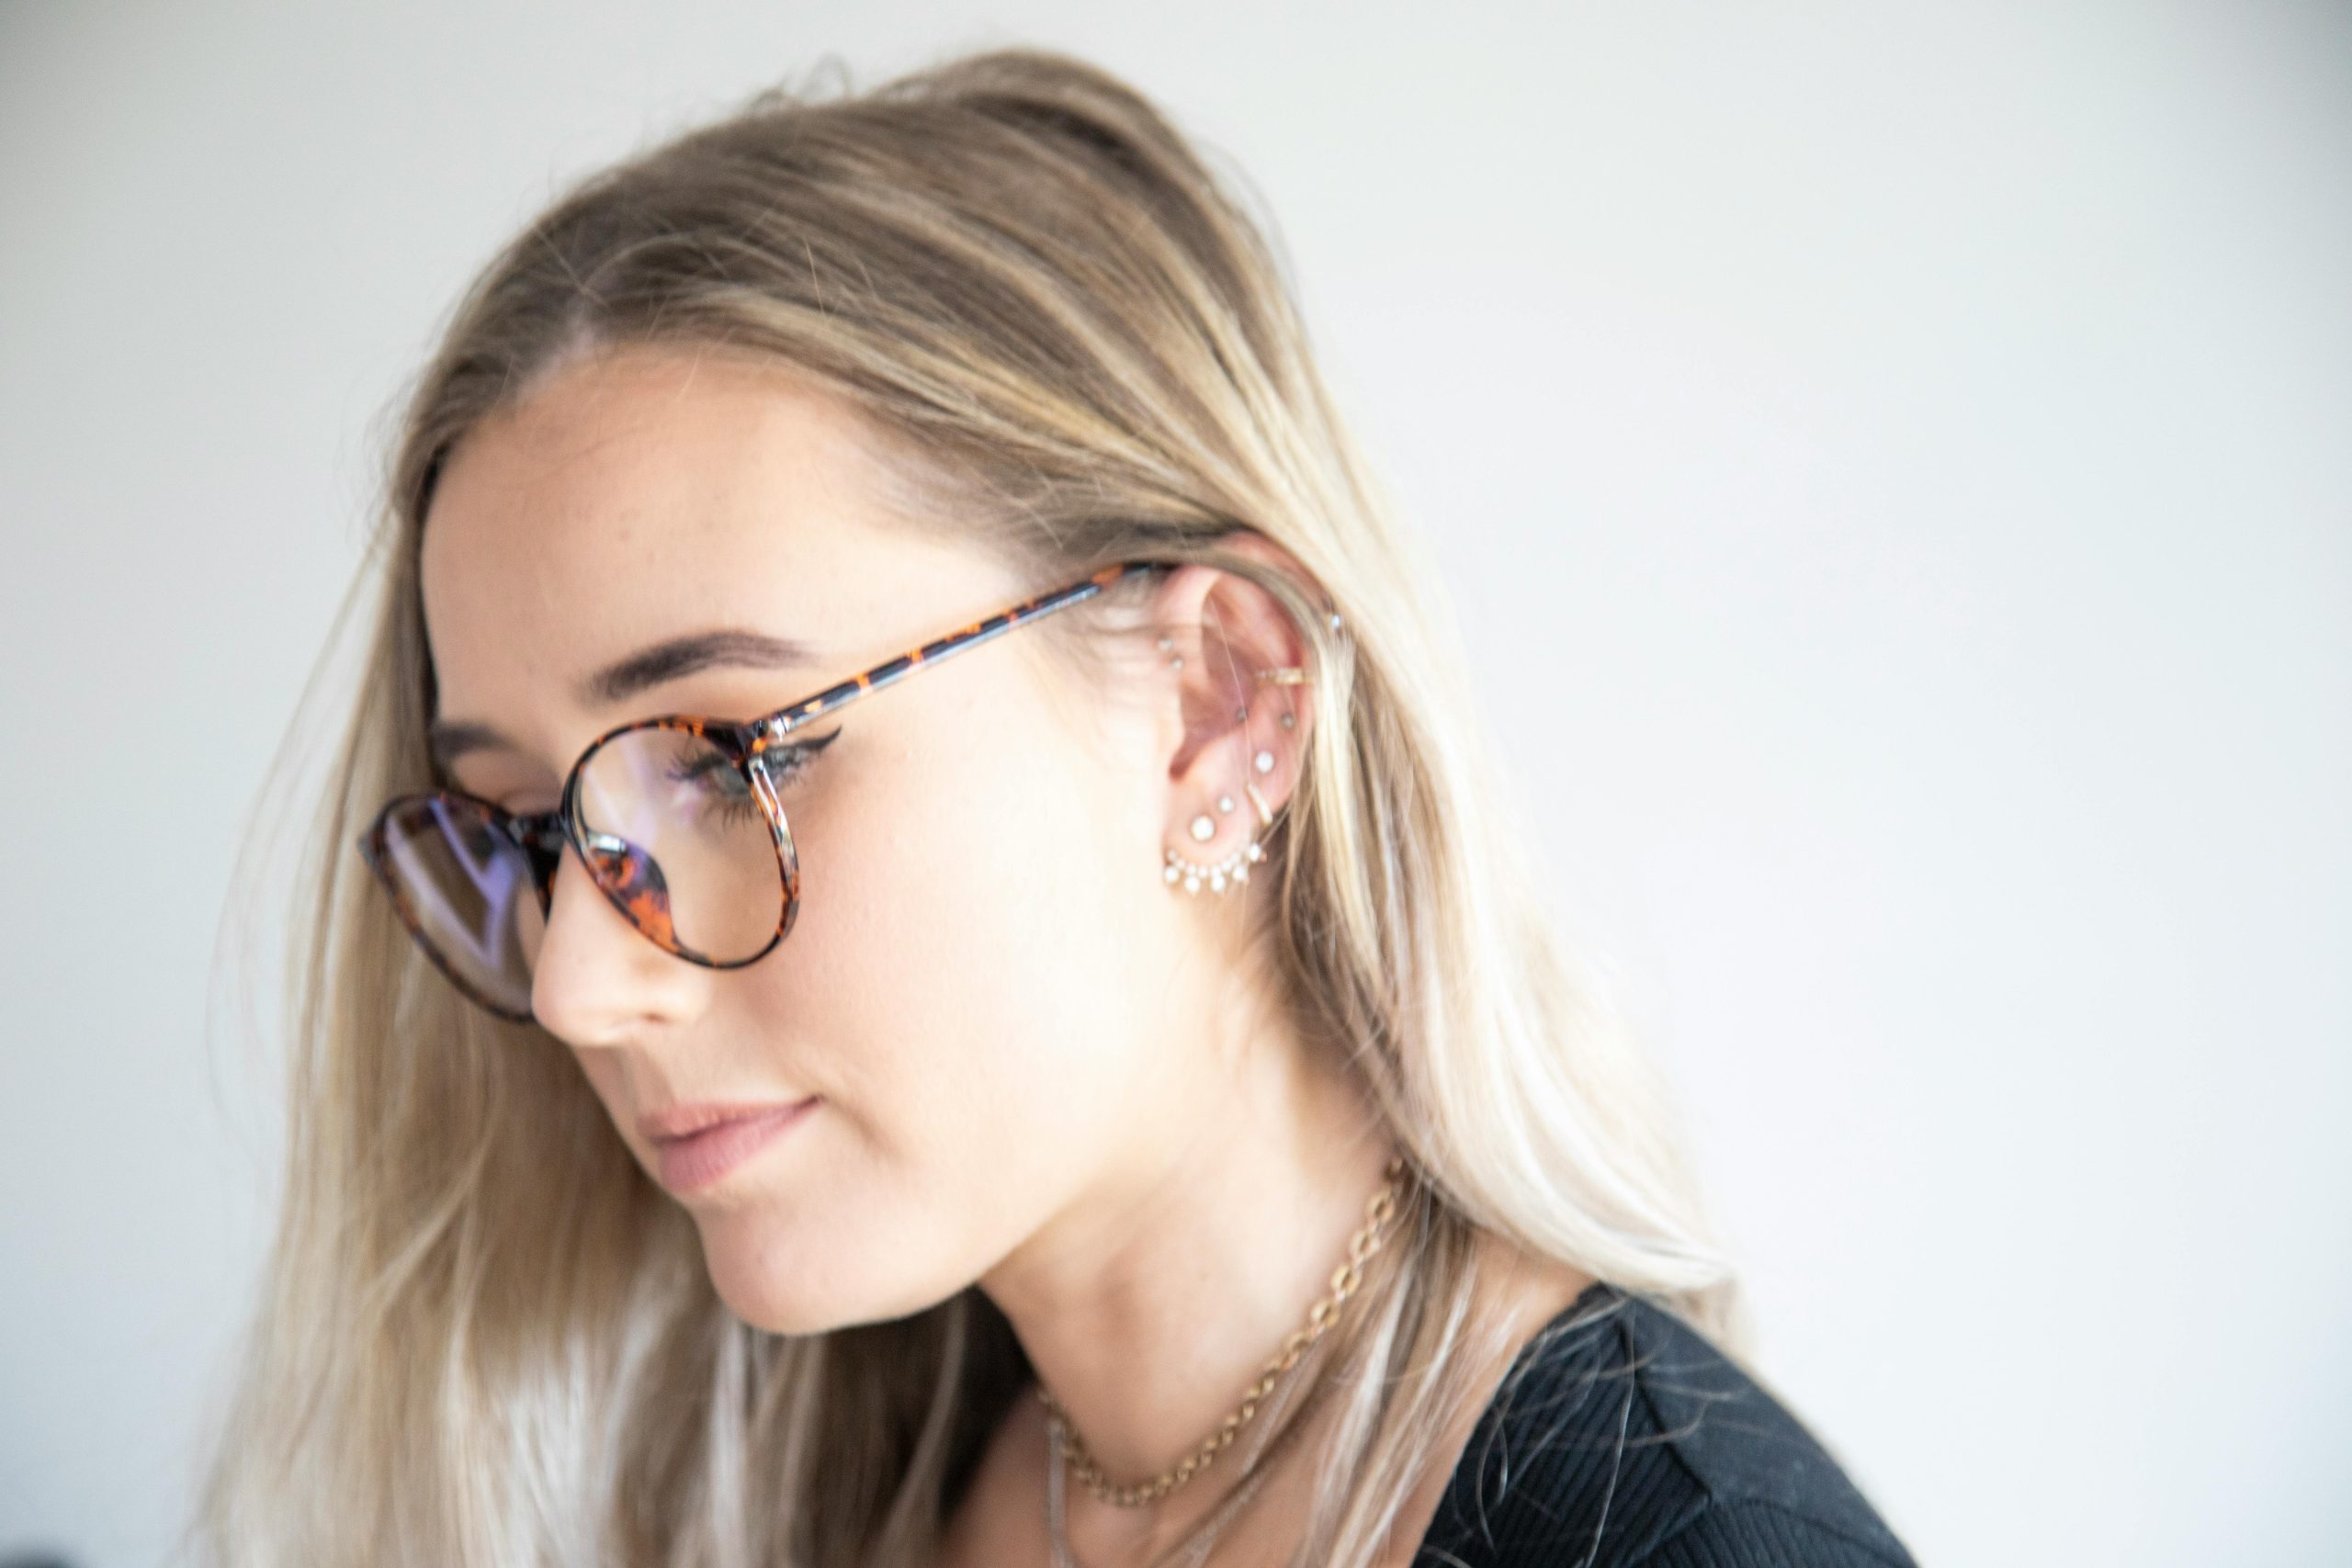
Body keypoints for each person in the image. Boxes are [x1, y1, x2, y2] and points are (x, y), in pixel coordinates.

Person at [193, 44, 1917, 1568]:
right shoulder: (856, 1473)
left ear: (1212, 707)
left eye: (725, 762)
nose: (578, 985)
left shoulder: (1692, 1549)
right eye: (527, 830)